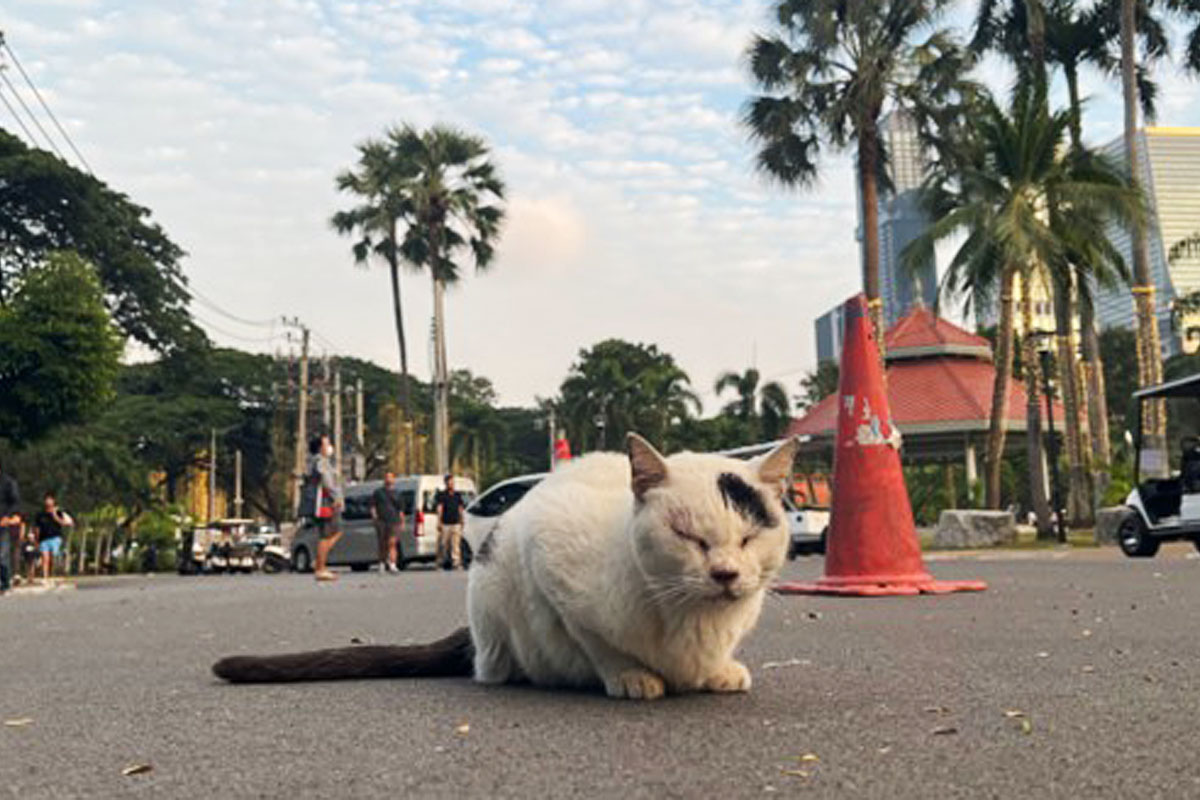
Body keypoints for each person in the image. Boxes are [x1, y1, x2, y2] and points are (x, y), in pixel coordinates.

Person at [307, 434, 343, 582]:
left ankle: (320, 562)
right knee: (326, 534)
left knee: (333, 532)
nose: (329, 447)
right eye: (326, 444)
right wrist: (336, 498)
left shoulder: (319, 461)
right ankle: (320, 567)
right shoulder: (320, 462)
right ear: (320, 447)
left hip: (325, 501)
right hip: (325, 502)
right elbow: (327, 482)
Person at [33, 492, 73, 583]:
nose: (48, 502)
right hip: (43, 538)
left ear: (53, 501)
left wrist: (55, 515)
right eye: (46, 500)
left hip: (55, 537)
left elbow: (66, 523)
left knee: (52, 557)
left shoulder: (59, 512)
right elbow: (37, 527)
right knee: (45, 557)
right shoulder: (40, 515)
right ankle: (45, 576)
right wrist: (36, 540)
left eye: (50, 500)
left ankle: (52, 574)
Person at [370, 471, 404, 573]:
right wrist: (374, 518)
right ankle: (382, 563)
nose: (388, 479)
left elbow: (401, 510)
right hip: (381, 521)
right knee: (382, 544)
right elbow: (373, 506)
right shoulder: (378, 492)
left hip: (394, 521)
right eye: (386, 477)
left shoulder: (398, 494)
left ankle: (393, 564)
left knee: (392, 543)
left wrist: (402, 522)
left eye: (390, 477)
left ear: (394, 479)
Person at [434, 474, 467, 571]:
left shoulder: (457, 495)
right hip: (445, 523)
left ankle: (456, 562)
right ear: (446, 483)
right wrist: (439, 521)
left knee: (455, 544)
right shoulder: (442, 495)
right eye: (449, 482)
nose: (451, 484)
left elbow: (460, 508)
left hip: (456, 523)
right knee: (444, 544)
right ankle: (442, 562)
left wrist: (462, 519)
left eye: (452, 482)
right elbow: (440, 508)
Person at [0, 460, 19, 596]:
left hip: (3, 523)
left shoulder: (8, 483)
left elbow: (15, 503)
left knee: (2, 555)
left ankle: (5, 583)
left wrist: (8, 517)